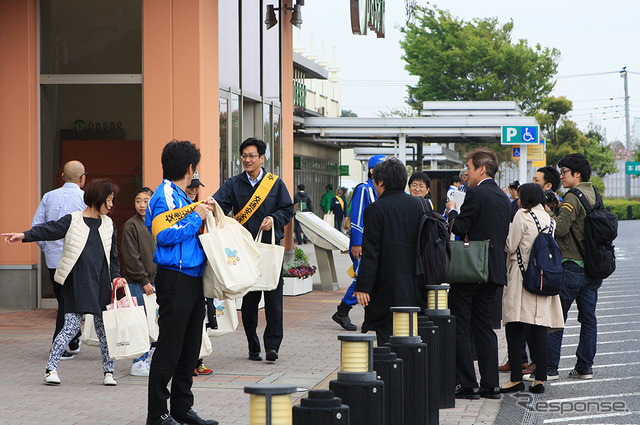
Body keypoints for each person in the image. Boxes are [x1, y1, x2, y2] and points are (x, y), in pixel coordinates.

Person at [3, 179, 125, 387]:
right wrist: (23, 236)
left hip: (101, 284)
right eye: (109, 200)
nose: (111, 205)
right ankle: (51, 369)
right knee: (70, 327)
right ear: (98, 198)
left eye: (113, 200)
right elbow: (48, 230)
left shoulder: (109, 225)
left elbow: (113, 257)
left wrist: (116, 278)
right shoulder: (73, 220)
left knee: (104, 331)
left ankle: (109, 373)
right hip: (77, 282)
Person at [145, 140, 218, 425]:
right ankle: (158, 413)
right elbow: (164, 235)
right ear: (190, 168)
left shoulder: (180, 195)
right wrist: (196, 216)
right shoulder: (165, 195)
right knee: (170, 347)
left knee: (190, 347)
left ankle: (181, 407)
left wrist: (200, 209)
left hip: (191, 278)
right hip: (174, 278)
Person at [214, 137, 294, 363]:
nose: (247, 160)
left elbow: (287, 210)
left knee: (273, 300)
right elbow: (220, 205)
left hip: (269, 251)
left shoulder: (275, 184)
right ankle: (253, 345)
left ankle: (272, 346)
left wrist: (273, 218)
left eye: (252, 156)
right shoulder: (233, 184)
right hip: (245, 252)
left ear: (262, 158)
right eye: (244, 156)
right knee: (249, 304)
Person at [445, 148, 510, 400]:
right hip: (493, 270)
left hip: (470, 269)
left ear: (482, 169)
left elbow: (461, 227)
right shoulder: (503, 196)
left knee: (460, 324)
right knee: (484, 327)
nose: (467, 174)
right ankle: (491, 385)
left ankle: (468, 384)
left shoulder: (475, 193)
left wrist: (452, 210)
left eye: (469, 169)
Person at [530, 154, 602, 382]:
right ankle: (584, 367)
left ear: (577, 174)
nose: (561, 175)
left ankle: (550, 368)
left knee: (556, 318)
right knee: (588, 319)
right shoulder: (594, 194)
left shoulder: (573, 195)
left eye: (564, 171)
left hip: (571, 266)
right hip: (592, 267)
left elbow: (560, 229)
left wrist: (549, 210)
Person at [500, 183, 564, 395]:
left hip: (522, 278)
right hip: (542, 278)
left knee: (515, 326)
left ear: (524, 197)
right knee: (538, 329)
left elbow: (510, 245)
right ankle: (539, 380)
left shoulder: (522, 215)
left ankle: (516, 379)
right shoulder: (548, 218)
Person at [354, 157, 424, 344]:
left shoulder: (375, 209)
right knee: (411, 336)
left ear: (381, 182)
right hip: (415, 285)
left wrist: (363, 286)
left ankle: (388, 373)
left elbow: (371, 252)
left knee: (387, 339)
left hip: (386, 287)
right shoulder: (419, 205)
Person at [31, 160, 87, 359]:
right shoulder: (84, 197)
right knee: (69, 302)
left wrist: (48, 248)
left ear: (62, 176)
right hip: (77, 259)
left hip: (54, 260)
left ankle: (72, 337)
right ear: (82, 179)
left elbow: (37, 226)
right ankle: (60, 344)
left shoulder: (49, 196)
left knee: (64, 300)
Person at [331, 154, 385, 331]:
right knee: (362, 277)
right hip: (362, 244)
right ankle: (343, 310)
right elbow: (357, 217)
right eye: (380, 166)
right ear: (371, 170)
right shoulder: (364, 189)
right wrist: (356, 243)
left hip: (372, 243)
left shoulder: (379, 189)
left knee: (370, 277)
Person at [122, 187, 157, 377]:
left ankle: (148, 358)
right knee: (140, 322)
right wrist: (144, 280)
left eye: (146, 200)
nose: (142, 205)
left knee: (153, 322)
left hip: (156, 280)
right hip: (138, 282)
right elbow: (131, 257)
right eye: (138, 201)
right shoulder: (131, 225)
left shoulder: (156, 222)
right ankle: (138, 362)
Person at [184, 171, 214, 377]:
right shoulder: (178, 209)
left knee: (203, 320)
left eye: (197, 186)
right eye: (190, 186)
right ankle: (189, 362)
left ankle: (198, 359)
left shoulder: (202, 208)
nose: (194, 190)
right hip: (185, 272)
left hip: (202, 270)